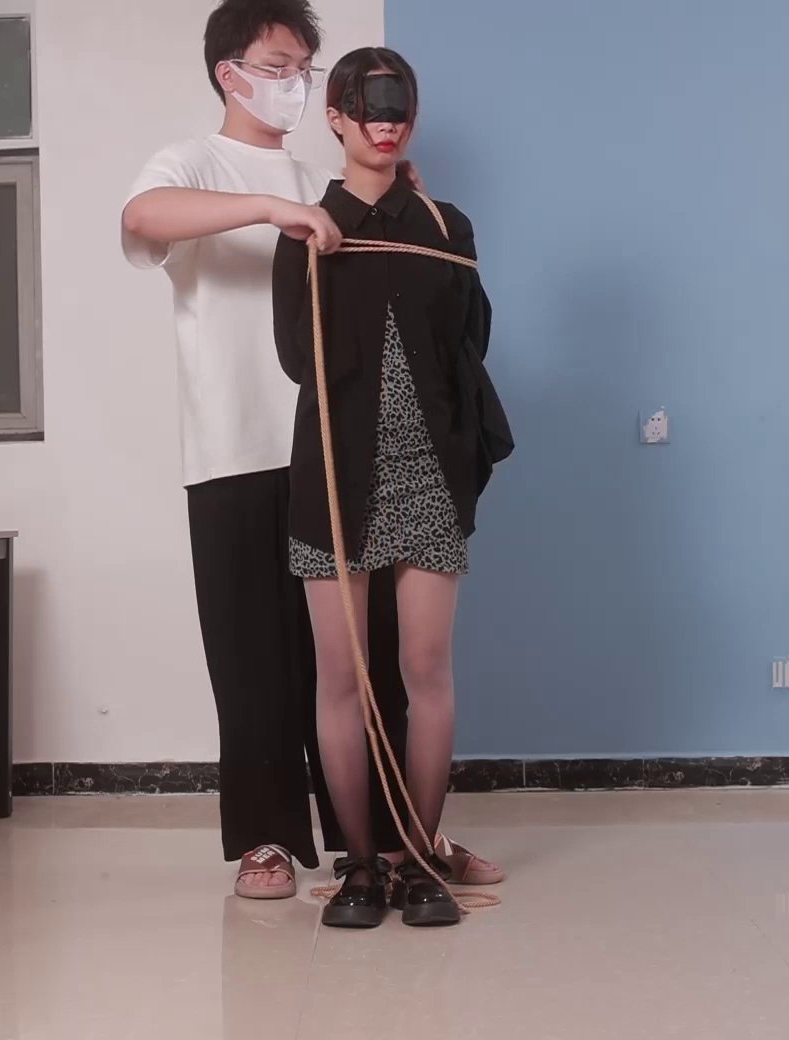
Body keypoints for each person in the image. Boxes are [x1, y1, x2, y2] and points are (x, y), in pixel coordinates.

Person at [120, 0, 499, 899]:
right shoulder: (193, 162)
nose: (293, 82)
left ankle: (396, 840)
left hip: (341, 444)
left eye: (304, 69)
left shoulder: (322, 172)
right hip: (234, 444)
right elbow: (143, 218)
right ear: (231, 72)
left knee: (379, 665)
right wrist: (271, 210)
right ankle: (266, 840)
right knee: (253, 655)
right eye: (278, 65)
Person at [272, 46, 511, 929]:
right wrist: (326, 249)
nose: (384, 120)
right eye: (366, 106)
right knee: (341, 677)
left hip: (428, 474)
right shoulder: (304, 228)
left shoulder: (448, 226)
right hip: (334, 477)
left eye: (397, 105)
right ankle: (361, 868)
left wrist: (420, 226)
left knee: (425, 670)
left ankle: (417, 859)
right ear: (335, 117)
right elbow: (295, 358)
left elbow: (470, 343)